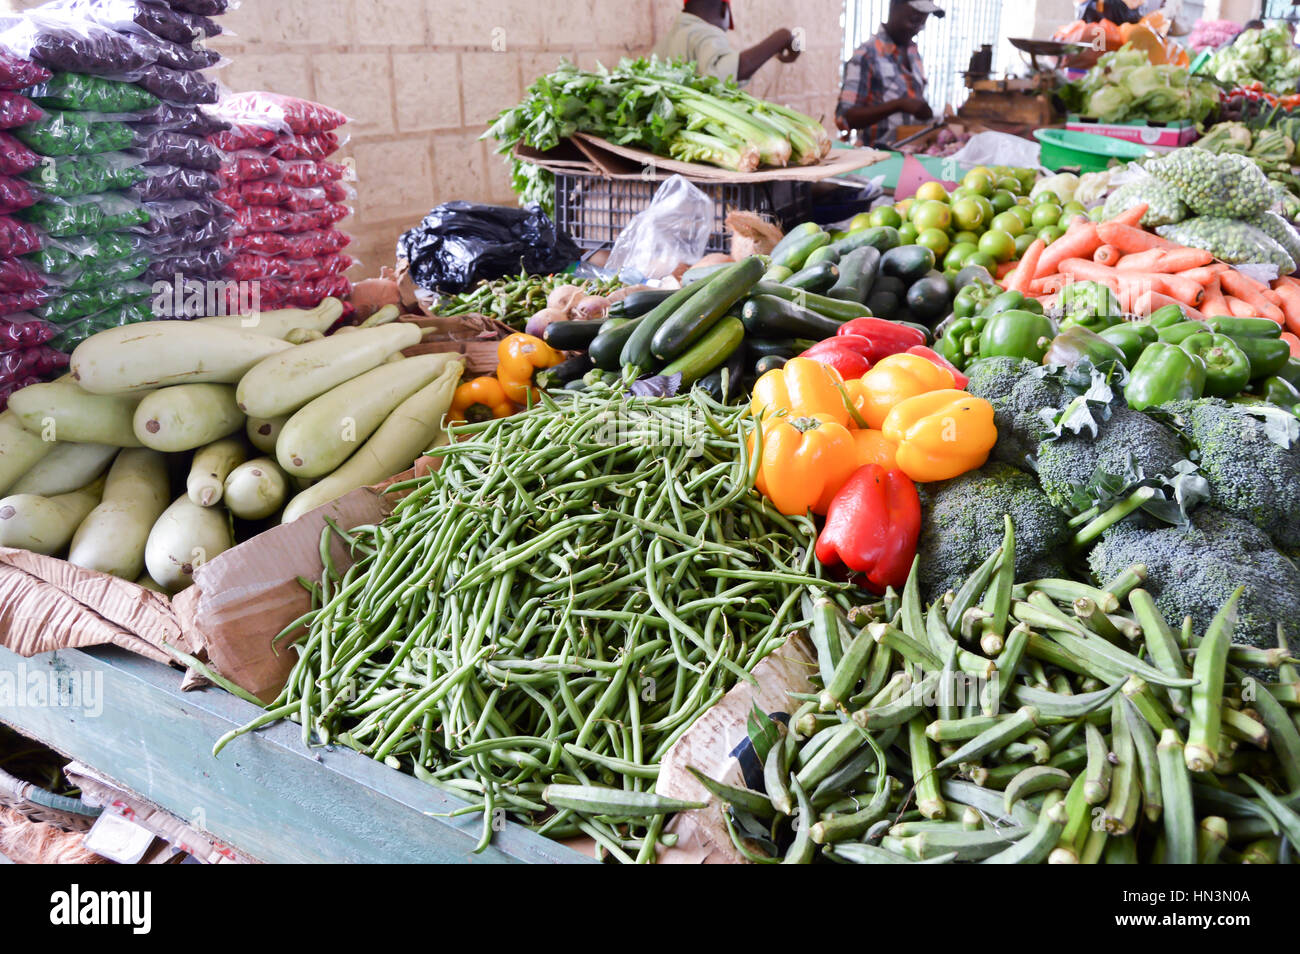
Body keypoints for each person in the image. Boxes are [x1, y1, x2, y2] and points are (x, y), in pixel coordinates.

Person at [837, 0, 943, 148]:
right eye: (915, 11)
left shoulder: (913, 53)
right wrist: (899, 104)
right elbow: (849, 117)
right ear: (895, 5)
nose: (921, 18)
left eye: (925, 14)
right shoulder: (867, 54)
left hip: (910, 151)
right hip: (875, 156)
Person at [652, 0, 800, 83]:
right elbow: (722, 73)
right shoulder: (704, 33)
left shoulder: (662, 45)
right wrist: (782, 37)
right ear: (724, 10)